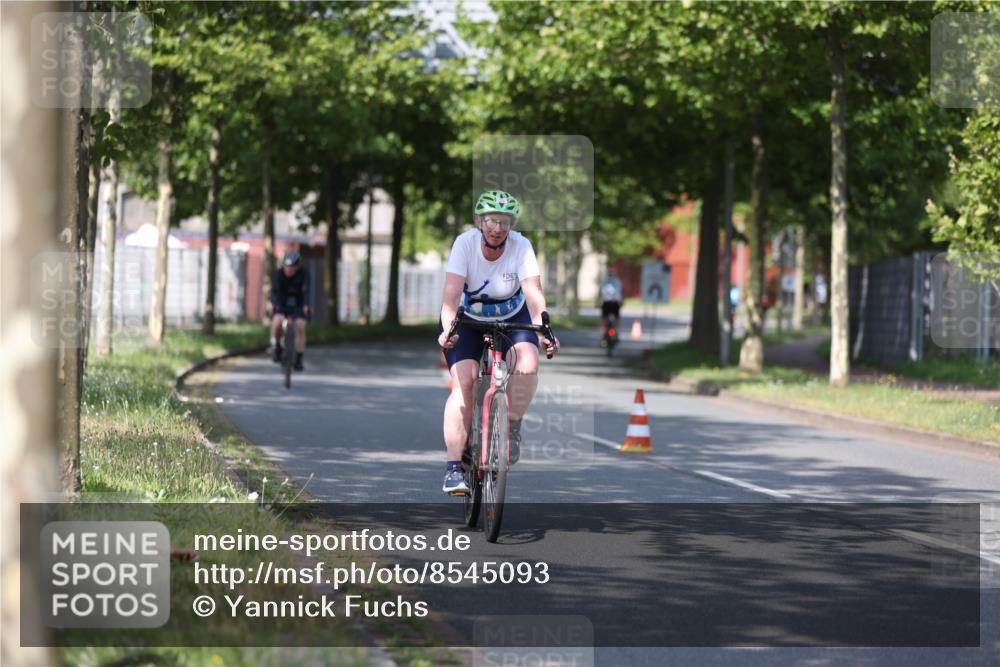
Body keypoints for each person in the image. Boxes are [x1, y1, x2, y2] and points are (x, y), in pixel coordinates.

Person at [437, 190, 559, 494]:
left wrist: (544, 330)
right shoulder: (464, 244)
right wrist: (447, 330)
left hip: (511, 316)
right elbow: (451, 297)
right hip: (470, 321)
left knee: (528, 366)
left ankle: (512, 423)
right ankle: (454, 468)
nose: (497, 228)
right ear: (480, 221)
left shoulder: (521, 246)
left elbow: (533, 293)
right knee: (464, 381)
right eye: (492, 220)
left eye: (505, 222)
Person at [268, 250, 311, 371]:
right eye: (287, 266)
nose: (289, 270)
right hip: (282, 303)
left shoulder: (304, 274)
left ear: (297, 267)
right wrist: (273, 304)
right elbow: (274, 292)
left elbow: (307, 291)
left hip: (298, 304)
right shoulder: (278, 274)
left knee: (300, 326)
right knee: (277, 322)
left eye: (292, 267)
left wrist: (306, 305)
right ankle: (276, 346)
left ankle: (298, 358)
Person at [599, 271, 623, 338]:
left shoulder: (604, 281)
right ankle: (617, 333)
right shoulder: (618, 281)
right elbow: (621, 292)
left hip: (606, 302)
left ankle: (602, 333)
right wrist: (621, 302)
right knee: (617, 318)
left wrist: (597, 302)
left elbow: (600, 292)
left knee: (604, 319)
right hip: (615, 302)